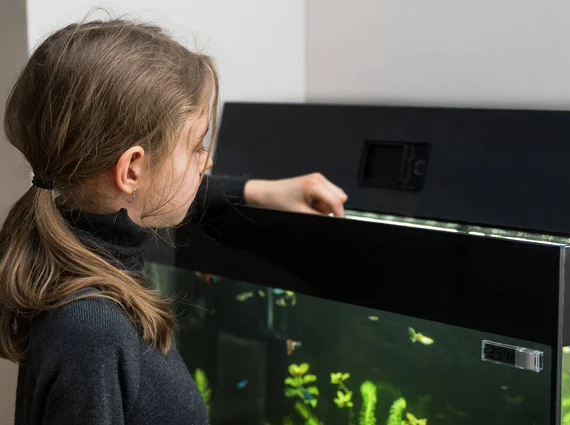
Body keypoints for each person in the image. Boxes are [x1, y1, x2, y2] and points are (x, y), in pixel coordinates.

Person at [0, 19, 347, 425]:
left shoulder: (77, 232)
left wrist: (260, 190)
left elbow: (166, 190)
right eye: (198, 146)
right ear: (131, 170)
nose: (207, 161)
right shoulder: (91, 330)